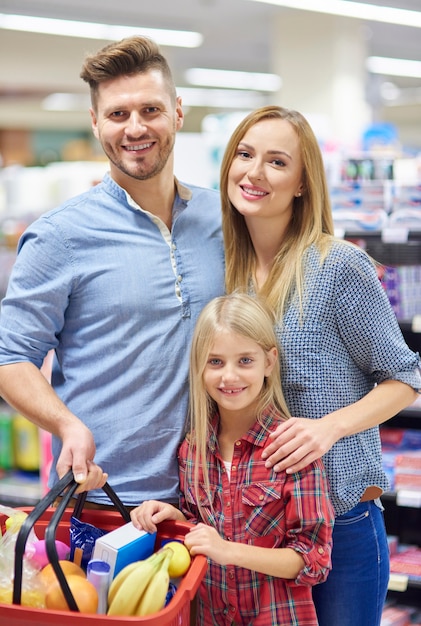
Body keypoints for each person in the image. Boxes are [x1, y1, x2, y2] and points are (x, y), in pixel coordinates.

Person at [0, 36, 225, 505]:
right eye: (118, 114)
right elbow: (10, 358)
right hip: (105, 497)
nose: (135, 128)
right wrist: (65, 423)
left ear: (178, 112)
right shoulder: (59, 236)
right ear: (95, 121)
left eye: (151, 110)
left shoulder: (222, 219)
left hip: (217, 498)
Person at [219, 105, 421, 626]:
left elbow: (405, 377)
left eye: (277, 162)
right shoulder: (224, 273)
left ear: (303, 183)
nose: (254, 172)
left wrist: (328, 428)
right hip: (252, 527)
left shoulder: (338, 266)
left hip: (340, 524)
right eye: (245, 154)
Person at [131, 292, 334, 626]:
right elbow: (204, 531)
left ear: (269, 362)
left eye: (245, 361)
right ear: (199, 366)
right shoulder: (193, 450)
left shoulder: (291, 448)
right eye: (215, 362)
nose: (229, 377)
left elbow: (314, 559)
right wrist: (176, 518)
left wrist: (228, 551)